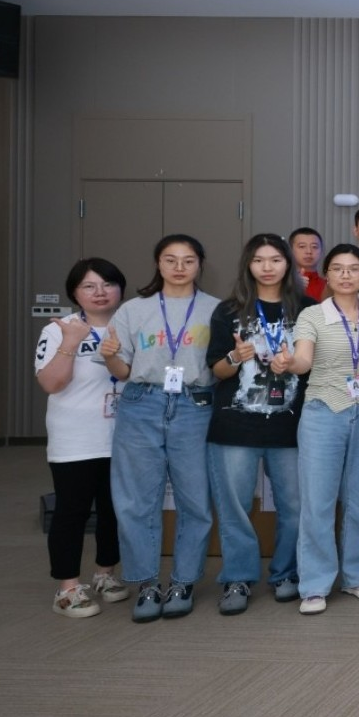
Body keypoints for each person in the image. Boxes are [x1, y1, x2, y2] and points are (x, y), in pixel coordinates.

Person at [101, 235, 220, 623]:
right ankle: (147, 584)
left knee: (195, 500)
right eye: (170, 259)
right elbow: (122, 370)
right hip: (142, 403)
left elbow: (221, 367)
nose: (179, 267)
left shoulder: (216, 309)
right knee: (136, 500)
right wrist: (110, 359)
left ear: (200, 264)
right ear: (158, 263)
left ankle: (183, 582)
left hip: (196, 405)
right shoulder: (134, 309)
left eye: (188, 260)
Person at [205, 233, 313, 614]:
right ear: (248, 265)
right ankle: (238, 577)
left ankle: (285, 573)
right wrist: (236, 356)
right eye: (258, 260)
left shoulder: (308, 309)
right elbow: (217, 370)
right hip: (236, 426)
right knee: (234, 507)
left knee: (296, 507)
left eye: (275, 260)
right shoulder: (228, 311)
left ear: (288, 264)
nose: (267, 267)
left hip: (292, 426)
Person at [279, 243, 359, 615]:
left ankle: (357, 576)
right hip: (324, 412)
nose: (346, 275)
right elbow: (303, 360)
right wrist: (290, 363)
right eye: (338, 268)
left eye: (353, 268)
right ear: (327, 274)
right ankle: (314, 584)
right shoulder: (312, 314)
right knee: (318, 502)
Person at [35, 257, 130, 618]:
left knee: (113, 510)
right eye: (89, 286)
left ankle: (105, 574)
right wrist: (71, 343)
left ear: (120, 288)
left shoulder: (130, 325)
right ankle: (68, 589)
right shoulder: (60, 329)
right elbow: (51, 383)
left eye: (108, 284)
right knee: (72, 511)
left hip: (123, 436)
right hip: (75, 438)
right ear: (75, 293)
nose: (100, 292)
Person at [290, 227, 326, 301]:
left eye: (314, 247)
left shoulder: (328, 286)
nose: (309, 251)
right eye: (302, 246)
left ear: (322, 251)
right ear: (290, 251)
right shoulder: (281, 284)